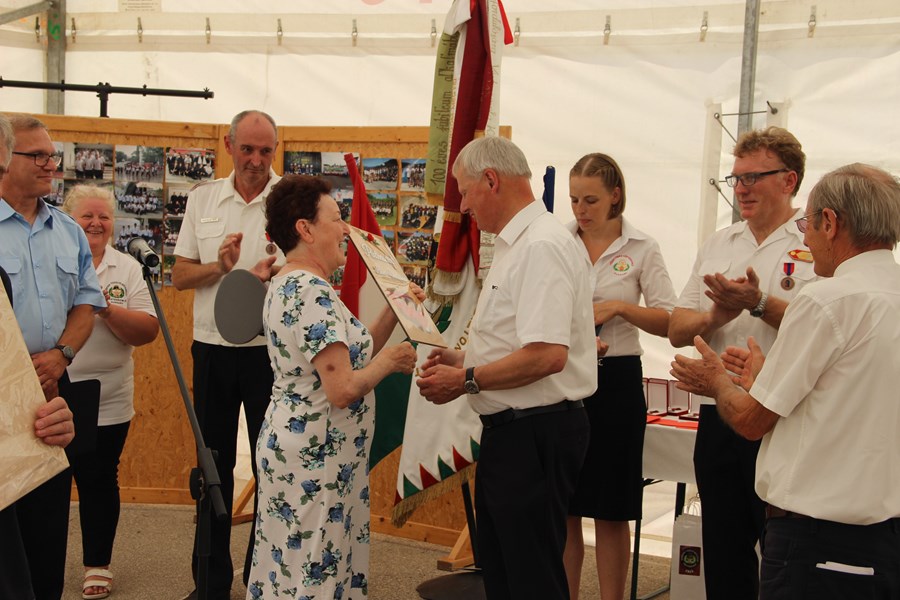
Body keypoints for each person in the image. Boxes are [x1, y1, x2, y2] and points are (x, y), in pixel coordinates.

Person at [671, 163, 900, 599]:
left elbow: (751, 422)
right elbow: (847, 394)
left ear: (830, 223)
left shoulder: (826, 299)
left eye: (808, 224)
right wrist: (764, 380)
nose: (806, 239)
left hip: (819, 540)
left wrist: (718, 381)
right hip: (884, 536)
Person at [416, 136, 597, 600]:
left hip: (534, 432)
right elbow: (520, 342)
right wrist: (465, 359)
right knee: (504, 574)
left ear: (491, 180)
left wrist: (466, 379)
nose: (462, 205)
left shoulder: (541, 245)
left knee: (529, 579)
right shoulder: (520, 244)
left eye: (465, 191)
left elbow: (548, 355)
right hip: (517, 431)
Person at [245, 174, 417, 599]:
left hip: (307, 451)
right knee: (313, 570)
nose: (345, 229)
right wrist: (391, 363)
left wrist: (396, 310)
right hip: (317, 459)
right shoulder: (311, 292)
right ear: (305, 229)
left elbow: (350, 355)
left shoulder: (292, 282)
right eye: (337, 218)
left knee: (287, 566)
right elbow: (341, 388)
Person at [667, 126, 813, 599]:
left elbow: (826, 325)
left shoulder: (816, 242)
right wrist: (717, 315)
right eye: (736, 179)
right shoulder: (720, 243)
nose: (742, 189)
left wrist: (758, 303)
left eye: (753, 177)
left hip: (782, 417)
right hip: (720, 414)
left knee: (783, 555)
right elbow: (676, 329)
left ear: (789, 180)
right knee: (724, 555)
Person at [172, 109, 283, 600]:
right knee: (211, 469)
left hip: (270, 354)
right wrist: (219, 267)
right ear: (228, 145)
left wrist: (276, 277)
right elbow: (180, 276)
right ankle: (210, 584)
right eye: (248, 149)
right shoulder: (203, 199)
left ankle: (262, 580)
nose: (256, 160)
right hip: (212, 350)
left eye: (266, 151)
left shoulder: (290, 200)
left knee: (270, 467)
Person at [562, 153, 678, 600]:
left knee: (611, 509)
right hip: (565, 376)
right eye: (574, 200)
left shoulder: (643, 247)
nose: (581, 210)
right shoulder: (558, 242)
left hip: (617, 381)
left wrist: (620, 308)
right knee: (566, 507)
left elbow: (670, 321)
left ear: (616, 195)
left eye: (590, 200)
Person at [0, 113, 106, 599]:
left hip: (50, 393)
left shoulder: (66, 229)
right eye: (37, 155)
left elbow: (86, 302)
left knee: (46, 530)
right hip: (4, 394)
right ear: (5, 159)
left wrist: (63, 355)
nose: (50, 164)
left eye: (52, 155)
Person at [62, 184, 160, 600]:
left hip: (109, 396)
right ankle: (39, 563)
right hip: (53, 391)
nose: (96, 223)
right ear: (68, 220)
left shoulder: (128, 268)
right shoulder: (54, 260)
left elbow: (147, 331)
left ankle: (97, 565)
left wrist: (106, 309)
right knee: (48, 485)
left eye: (103, 216)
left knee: (99, 479)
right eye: (87, 216)